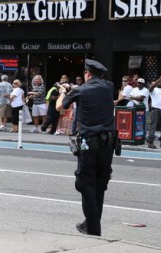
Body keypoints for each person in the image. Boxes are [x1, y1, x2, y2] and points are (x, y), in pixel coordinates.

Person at [56, 59, 115, 236]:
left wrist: (62, 92)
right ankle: (90, 224)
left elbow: (60, 107)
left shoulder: (81, 90)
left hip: (89, 143)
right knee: (100, 185)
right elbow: (95, 91)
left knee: (86, 184)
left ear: (87, 74)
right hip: (108, 144)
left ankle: (93, 229)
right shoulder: (109, 87)